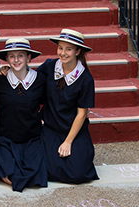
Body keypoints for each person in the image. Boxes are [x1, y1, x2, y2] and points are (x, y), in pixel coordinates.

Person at [36, 29, 99, 184]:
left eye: (68, 49)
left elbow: (81, 114)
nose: (63, 53)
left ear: (78, 51)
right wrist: (6, 70)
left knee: (77, 173)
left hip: (73, 131)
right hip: (50, 128)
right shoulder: (50, 66)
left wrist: (68, 142)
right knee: (43, 167)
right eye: (60, 48)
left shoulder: (85, 79)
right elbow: (31, 81)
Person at [0, 38, 47, 192]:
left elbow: (49, 102)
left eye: (21, 55)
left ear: (29, 57)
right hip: (5, 138)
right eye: (11, 56)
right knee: (9, 175)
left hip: (31, 137)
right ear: (7, 59)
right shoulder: (0, 78)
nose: (16, 60)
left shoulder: (40, 80)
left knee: (33, 176)